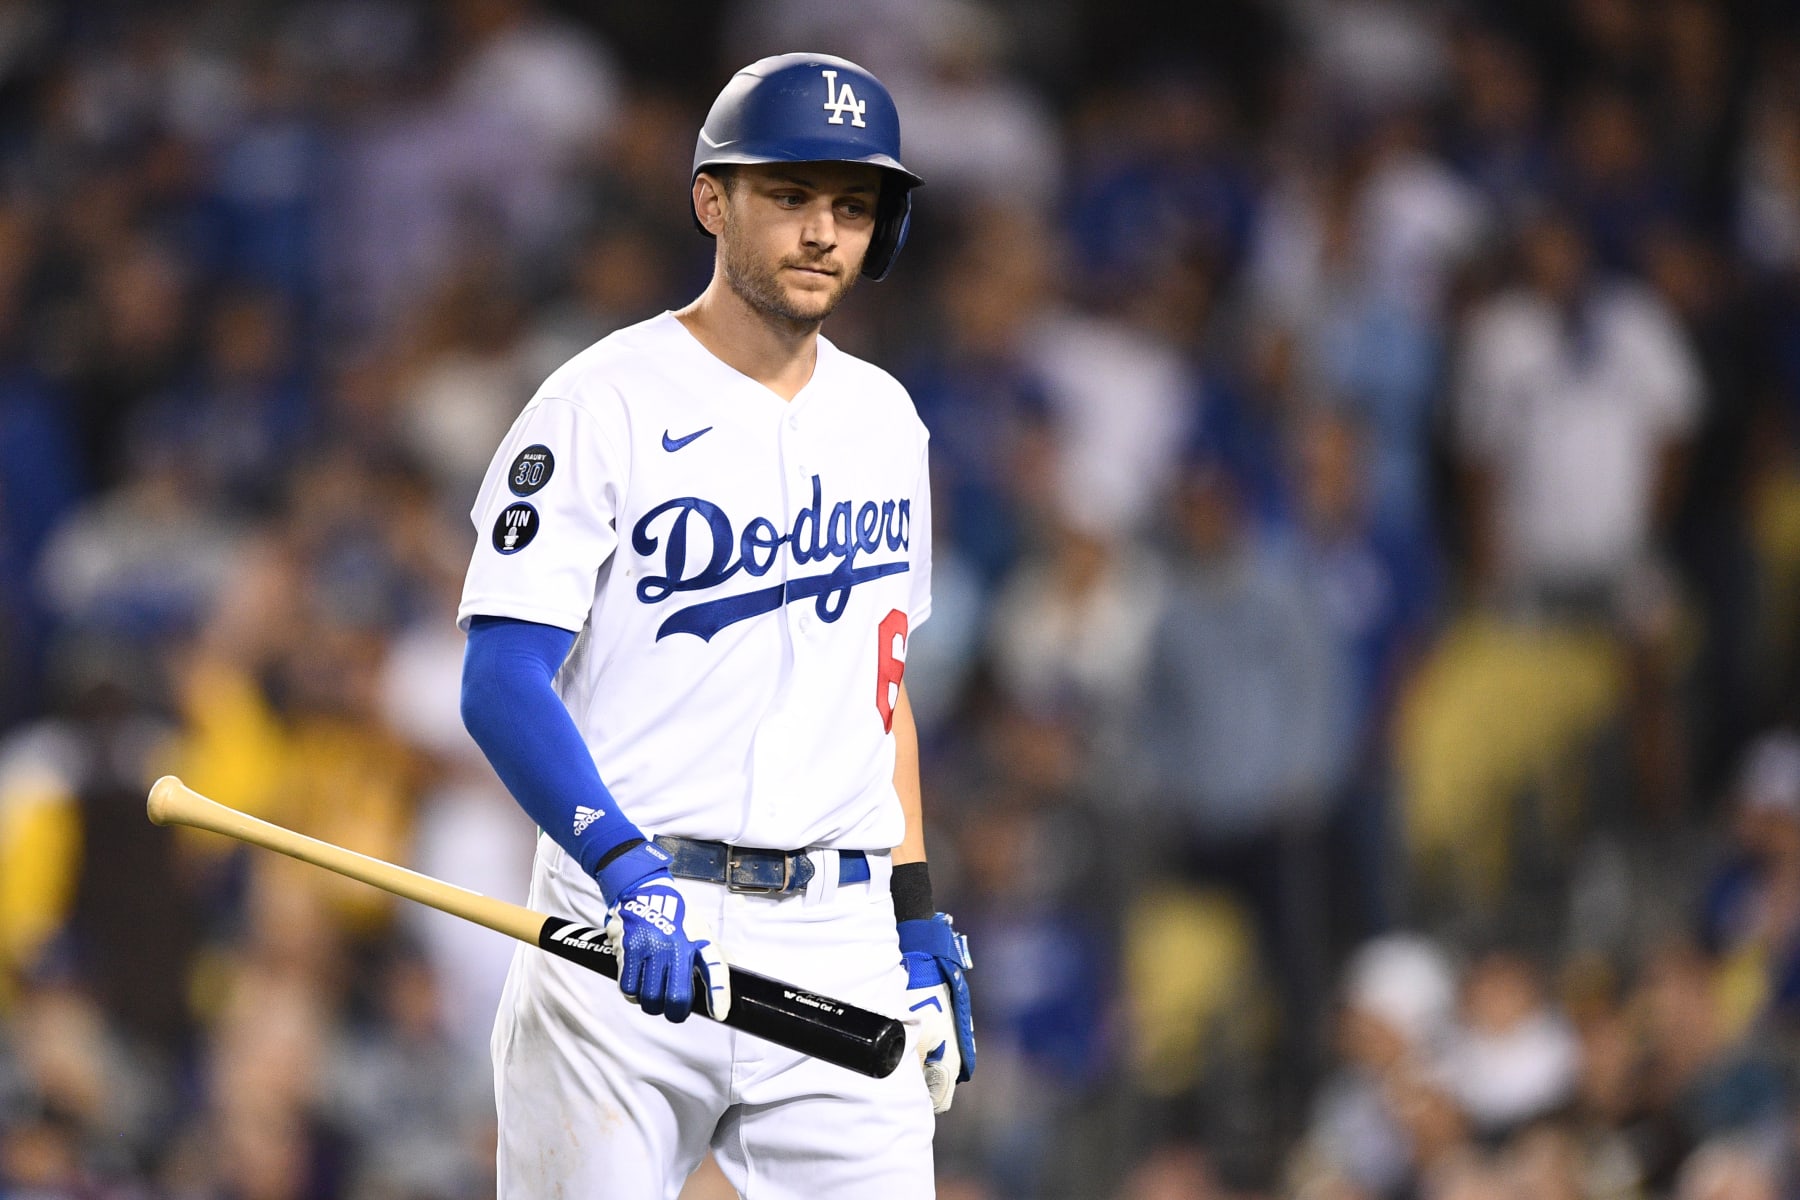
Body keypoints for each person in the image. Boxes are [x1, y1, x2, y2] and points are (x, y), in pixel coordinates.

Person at [455, 53, 974, 1198]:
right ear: (712, 200)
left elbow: (879, 694)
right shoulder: (601, 404)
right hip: (627, 926)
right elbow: (499, 679)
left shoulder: (885, 420)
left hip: (836, 936)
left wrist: (917, 915)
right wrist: (617, 861)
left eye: (852, 204)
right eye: (789, 196)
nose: (824, 232)